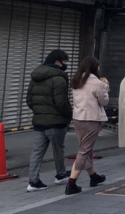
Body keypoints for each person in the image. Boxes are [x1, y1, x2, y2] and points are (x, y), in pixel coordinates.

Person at [25, 49, 72, 192]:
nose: (65, 65)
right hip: (56, 121)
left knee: (37, 151)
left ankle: (33, 181)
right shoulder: (59, 78)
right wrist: (69, 115)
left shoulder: (35, 76)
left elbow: (29, 100)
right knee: (58, 148)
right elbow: (61, 102)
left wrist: (39, 111)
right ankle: (61, 174)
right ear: (57, 62)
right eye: (64, 62)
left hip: (39, 121)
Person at [66, 56, 109, 195]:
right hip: (92, 119)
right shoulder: (98, 83)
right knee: (84, 151)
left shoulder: (77, 80)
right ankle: (71, 183)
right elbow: (104, 102)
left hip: (78, 118)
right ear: (94, 68)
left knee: (86, 148)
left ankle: (93, 177)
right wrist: (106, 88)